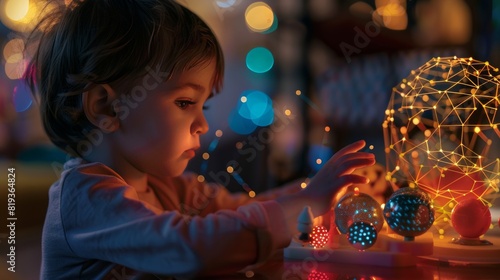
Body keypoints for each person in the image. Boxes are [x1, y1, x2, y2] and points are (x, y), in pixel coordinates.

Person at [24, 0, 375, 279]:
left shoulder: (171, 187)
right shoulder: (83, 197)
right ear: (107, 108)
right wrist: (310, 201)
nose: (202, 125)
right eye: (185, 103)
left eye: (202, 105)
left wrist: (326, 190)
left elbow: (238, 214)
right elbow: (188, 247)